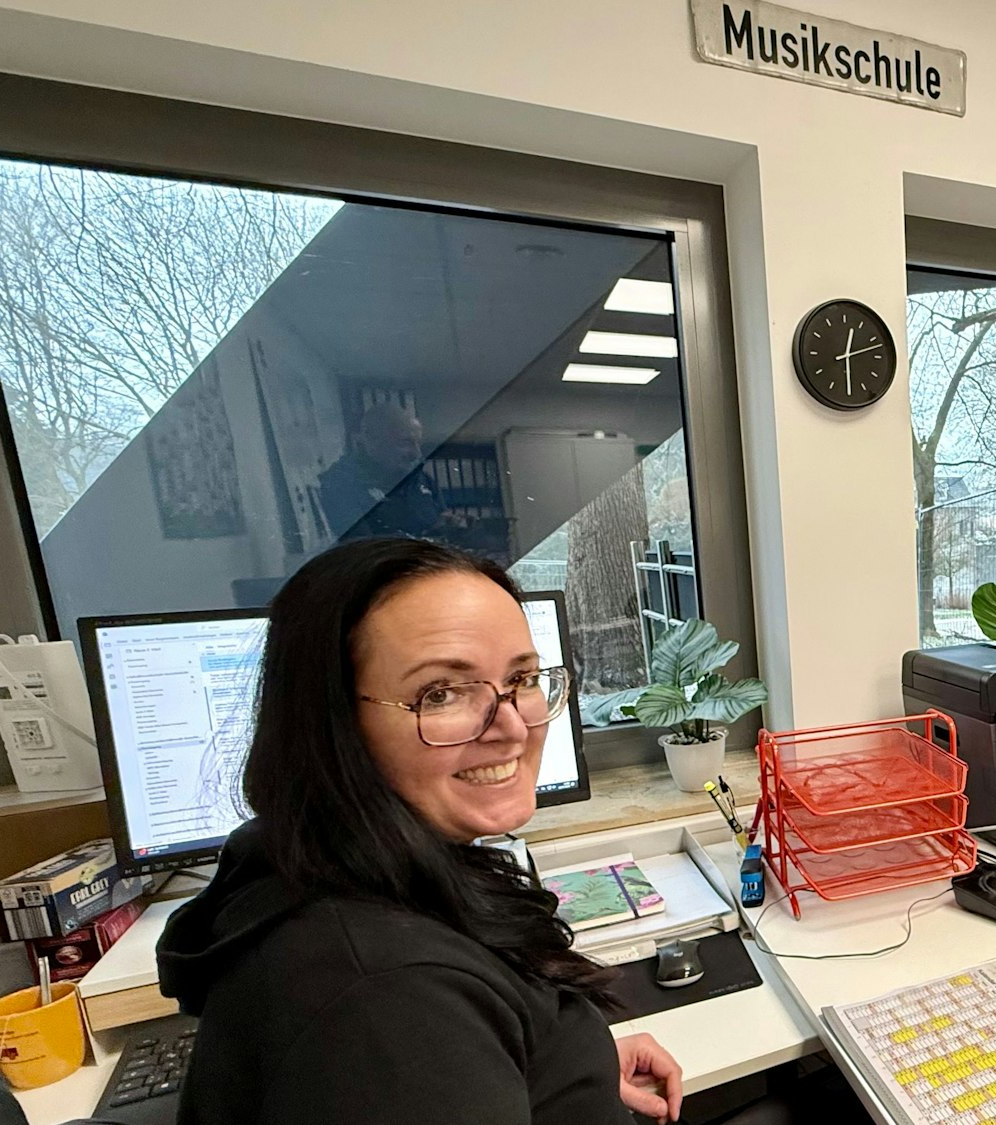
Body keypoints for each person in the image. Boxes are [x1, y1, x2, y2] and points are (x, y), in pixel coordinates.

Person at [156, 537, 682, 1123]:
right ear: (332, 724)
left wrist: (563, 1069)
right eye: (442, 693)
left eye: (523, 678)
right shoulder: (387, 997)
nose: (512, 727)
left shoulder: (338, 865)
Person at [317, 401, 449, 540]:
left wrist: (448, 528)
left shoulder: (422, 479)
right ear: (372, 440)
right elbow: (362, 546)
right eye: (405, 443)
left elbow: (440, 528)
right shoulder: (341, 485)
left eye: (418, 443)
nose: (416, 453)